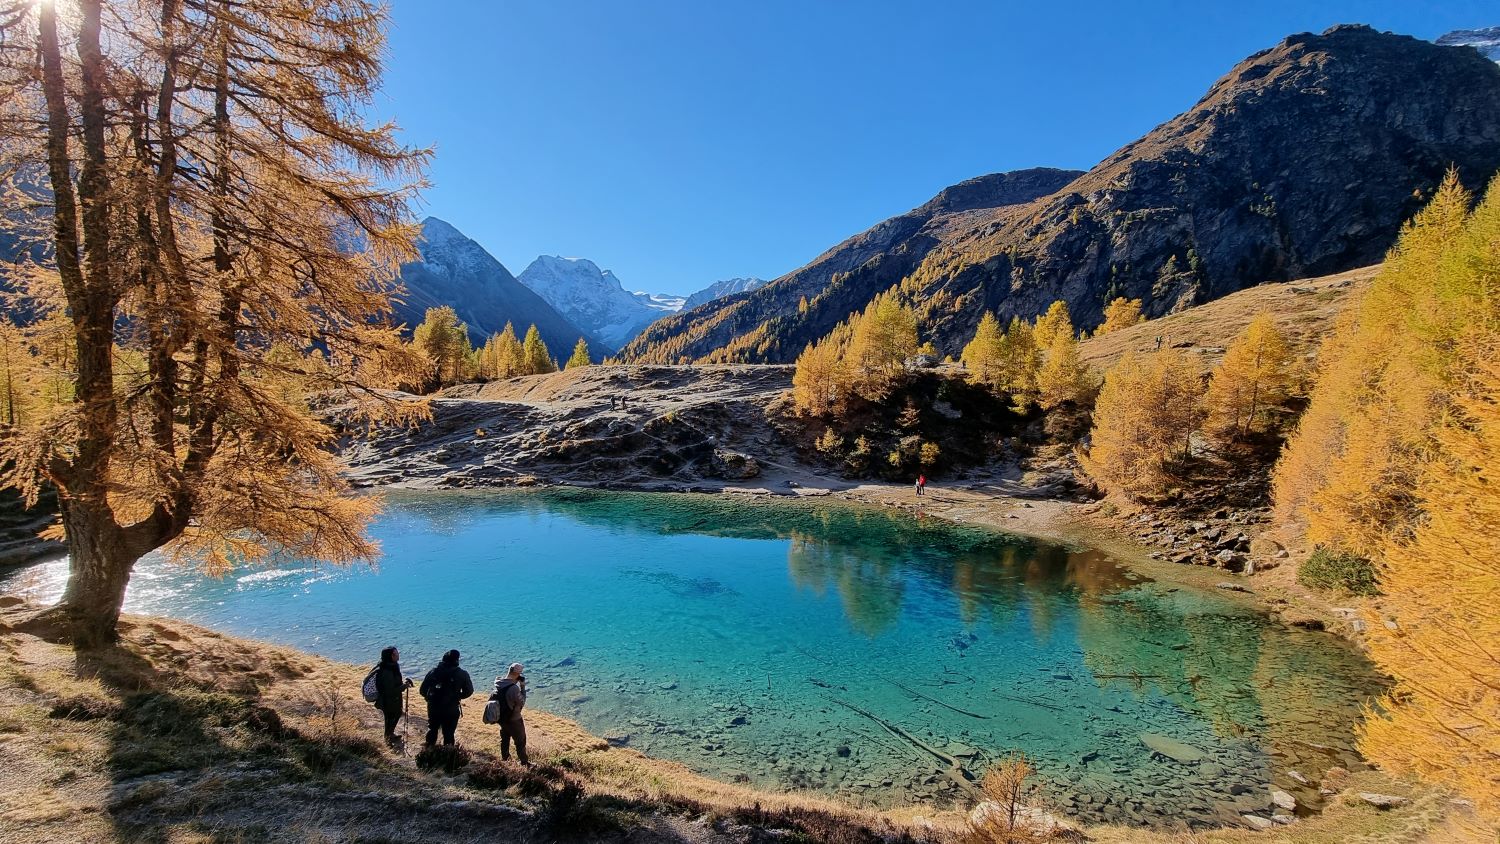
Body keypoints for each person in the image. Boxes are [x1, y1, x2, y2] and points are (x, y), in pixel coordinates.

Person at [419, 649, 473, 747]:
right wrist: (458, 696)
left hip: (434, 707)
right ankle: (448, 756)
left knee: (432, 729)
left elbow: (422, 690)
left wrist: (429, 698)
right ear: (457, 660)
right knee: (449, 733)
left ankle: (428, 752)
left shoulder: (433, 671)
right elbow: (469, 691)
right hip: (451, 708)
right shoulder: (462, 674)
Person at [374, 646, 413, 747]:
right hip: (388, 700)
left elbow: (395, 683)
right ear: (391, 656)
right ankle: (387, 739)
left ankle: (390, 734)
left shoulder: (391, 666)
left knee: (395, 714)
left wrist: (403, 683)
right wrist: (404, 686)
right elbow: (390, 690)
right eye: (396, 653)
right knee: (390, 717)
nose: (398, 654)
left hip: (393, 699)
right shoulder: (387, 671)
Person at [493, 662, 529, 765]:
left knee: (505, 738)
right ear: (517, 674)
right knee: (520, 741)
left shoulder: (498, 683)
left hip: (502, 717)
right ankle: (524, 763)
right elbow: (521, 701)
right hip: (514, 719)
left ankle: (505, 758)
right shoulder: (513, 688)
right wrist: (522, 687)